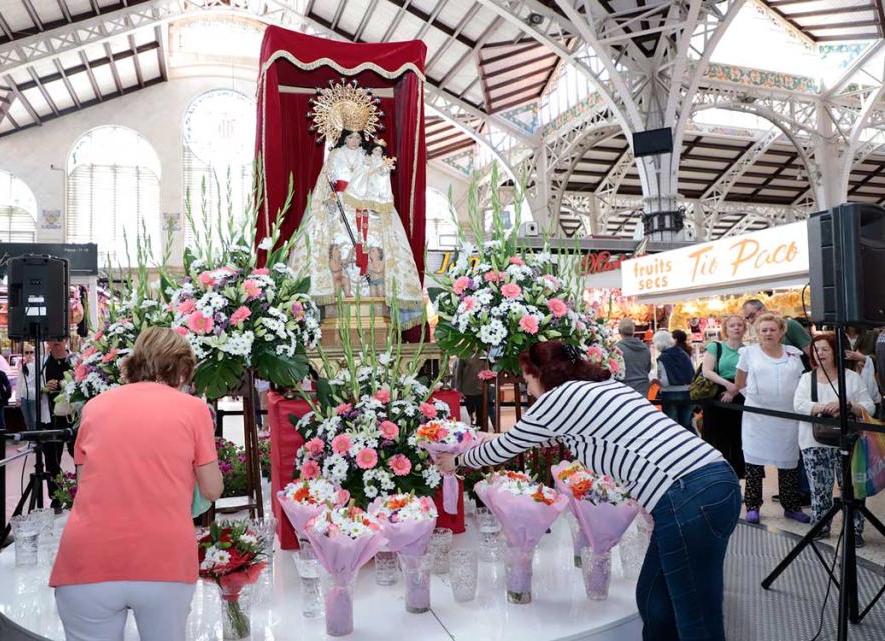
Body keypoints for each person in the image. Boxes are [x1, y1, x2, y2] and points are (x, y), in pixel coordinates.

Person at [437, 340, 738, 641]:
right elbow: (535, 438)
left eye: (527, 380)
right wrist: (479, 436)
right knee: (655, 601)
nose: (528, 390)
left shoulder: (558, 399)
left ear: (542, 374)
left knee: (696, 620)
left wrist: (457, 460)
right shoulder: (603, 388)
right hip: (711, 482)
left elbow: (506, 448)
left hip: (685, 494)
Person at [50, 327, 223, 641]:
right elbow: (212, 489)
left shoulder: (95, 406)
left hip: (87, 559)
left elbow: (83, 479)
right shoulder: (193, 409)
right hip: (164, 558)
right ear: (182, 368)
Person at [288, 86, 423, 329]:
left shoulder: (367, 155)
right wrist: (329, 199)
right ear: (343, 136)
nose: (355, 141)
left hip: (366, 210)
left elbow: (376, 179)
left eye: (358, 137)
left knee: (373, 248)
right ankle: (340, 301)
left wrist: (380, 174)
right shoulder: (335, 156)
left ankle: (373, 299)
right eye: (350, 136)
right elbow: (324, 184)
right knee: (338, 249)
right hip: (339, 211)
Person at [794, 333, 874, 547]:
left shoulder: (851, 377)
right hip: (814, 440)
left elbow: (869, 405)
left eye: (825, 349)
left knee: (852, 487)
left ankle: (854, 529)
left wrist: (848, 405)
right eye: (816, 349)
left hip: (848, 441)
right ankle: (820, 526)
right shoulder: (806, 377)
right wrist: (825, 407)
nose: (819, 354)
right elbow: (799, 404)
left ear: (835, 352)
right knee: (819, 488)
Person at [735, 314, 808, 524]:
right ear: (757, 333)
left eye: (772, 329)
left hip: (787, 417)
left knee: (789, 464)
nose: (768, 333)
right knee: (754, 463)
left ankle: (791, 506)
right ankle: (753, 506)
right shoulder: (749, 353)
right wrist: (756, 398)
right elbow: (740, 381)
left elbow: (801, 382)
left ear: (781, 331)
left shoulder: (793, 354)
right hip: (757, 418)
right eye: (764, 330)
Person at [700, 314, 747, 478]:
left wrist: (734, 390)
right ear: (726, 329)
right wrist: (727, 385)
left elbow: (750, 374)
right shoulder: (716, 347)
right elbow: (707, 371)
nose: (736, 328)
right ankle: (717, 475)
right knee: (718, 437)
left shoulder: (747, 350)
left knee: (738, 437)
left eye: (739, 325)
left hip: (740, 394)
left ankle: (738, 476)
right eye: (732, 325)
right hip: (717, 393)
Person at [42, 338, 75, 511]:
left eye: (59, 341)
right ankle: (55, 497)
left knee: (77, 454)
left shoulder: (76, 361)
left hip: (73, 417)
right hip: (52, 418)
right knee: (52, 459)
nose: (56, 345)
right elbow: (30, 390)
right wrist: (45, 387)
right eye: (52, 342)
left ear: (66, 341)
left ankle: (80, 491)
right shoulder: (43, 365)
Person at [653, 330, 696, 431]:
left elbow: (665, 382)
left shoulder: (663, 358)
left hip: (670, 394)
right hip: (688, 392)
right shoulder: (684, 353)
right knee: (687, 424)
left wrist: (655, 381)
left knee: (672, 427)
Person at [741, 299, 811, 351]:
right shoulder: (759, 333)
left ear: (763, 310)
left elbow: (811, 353)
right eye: (747, 318)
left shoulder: (789, 325)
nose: (750, 320)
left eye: (752, 315)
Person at [616, 318, 651, 397]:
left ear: (619, 331)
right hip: (643, 389)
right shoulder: (645, 348)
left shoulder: (617, 349)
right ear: (634, 330)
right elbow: (648, 369)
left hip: (625, 390)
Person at [454, 355, 488, 428]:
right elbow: (458, 373)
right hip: (467, 389)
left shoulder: (484, 355)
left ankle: (481, 431)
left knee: (481, 415)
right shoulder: (463, 355)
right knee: (468, 414)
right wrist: (459, 389)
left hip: (481, 389)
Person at [16, 343, 38, 430]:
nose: (29, 354)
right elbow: (19, 383)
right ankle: (31, 439)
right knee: (27, 420)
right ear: (24, 354)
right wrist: (18, 398)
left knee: (34, 419)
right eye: (27, 352)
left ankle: (35, 438)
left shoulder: (37, 365)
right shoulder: (22, 367)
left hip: (34, 396)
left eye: (31, 352)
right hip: (24, 397)